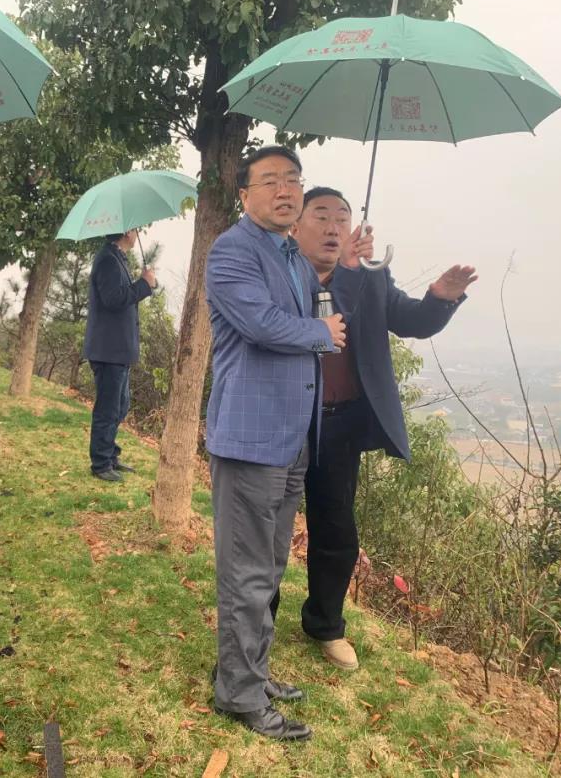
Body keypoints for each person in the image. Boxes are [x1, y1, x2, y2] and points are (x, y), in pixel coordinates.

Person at [204, 145, 368, 741]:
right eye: (270, 180)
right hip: (251, 438)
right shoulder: (232, 251)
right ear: (244, 194)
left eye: (293, 179)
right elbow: (260, 324)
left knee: (270, 569)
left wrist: (349, 265)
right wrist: (320, 332)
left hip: (293, 439)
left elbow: (319, 303)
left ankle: (250, 670)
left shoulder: (293, 256)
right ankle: (240, 696)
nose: (285, 190)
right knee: (246, 575)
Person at [292, 186, 476, 670]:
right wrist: (349, 272)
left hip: (340, 424)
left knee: (336, 530)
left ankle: (325, 625)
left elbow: (410, 320)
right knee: (269, 527)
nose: (333, 227)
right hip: (285, 420)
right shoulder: (281, 270)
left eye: (342, 218)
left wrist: (440, 298)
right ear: (295, 226)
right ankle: (256, 621)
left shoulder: (371, 276)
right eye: (321, 216)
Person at [83, 228, 157, 481]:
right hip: (108, 350)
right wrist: (144, 284)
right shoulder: (107, 260)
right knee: (108, 408)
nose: (137, 233)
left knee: (120, 405)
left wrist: (143, 283)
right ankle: (100, 463)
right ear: (126, 232)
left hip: (118, 350)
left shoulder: (117, 258)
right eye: (135, 229)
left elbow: (121, 296)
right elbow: (113, 300)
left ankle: (110, 454)